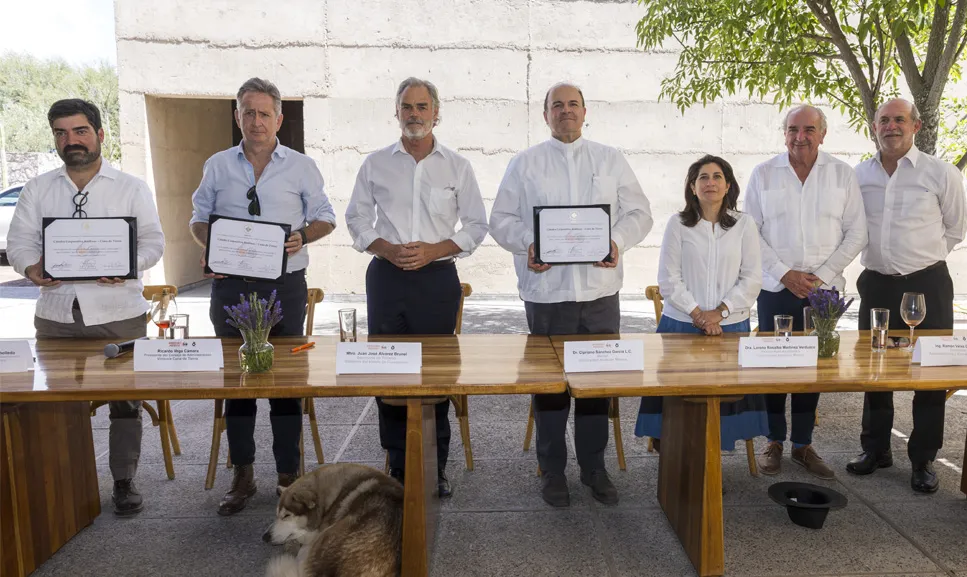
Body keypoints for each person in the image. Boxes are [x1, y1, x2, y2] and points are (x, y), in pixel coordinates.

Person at [490, 82, 653, 507]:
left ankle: (594, 469)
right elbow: (500, 219)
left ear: (586, 112)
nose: (565, 111)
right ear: (545, 115)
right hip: (546, 294)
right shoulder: (525, 164)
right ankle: (552, 470)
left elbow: (641, 213)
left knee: (597, 387)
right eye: (556, 105)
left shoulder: (610, 159)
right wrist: (529, 243)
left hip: (599, 294)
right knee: (550, 388)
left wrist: (616, 240)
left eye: (573, 104)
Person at [6, 98, 165, 516]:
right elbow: (20, 243)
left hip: (118, 313)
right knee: (54, 402)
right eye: (61, 133)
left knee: (125, 403)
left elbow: (153, 242)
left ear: (99, 134)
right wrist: (32, 266)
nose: (70, 140)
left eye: (79, 131)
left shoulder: (131, 188)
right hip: (57, 314)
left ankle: (124, 480)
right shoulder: (38, 189)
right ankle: (61, 485)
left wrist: (129, 265)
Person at [189, 77, 336, 515]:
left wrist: (302, 236)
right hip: (230, 286)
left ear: (279, 118)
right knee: (238, 383)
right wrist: (208, 247)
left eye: (264, 113)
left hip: (284, 286)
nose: (256, 121)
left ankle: (289, 475)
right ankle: (243, 474)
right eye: (248, 112)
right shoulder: (217, 165)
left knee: (285, 384)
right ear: (237, 116)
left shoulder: (302, 167)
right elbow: (198, 220)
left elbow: (326, 217)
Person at [345, 77, 488, 498]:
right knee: (387, 372)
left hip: (437, 279)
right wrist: (386, 249)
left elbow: (477, 226)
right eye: (407, 107)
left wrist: (434, 250)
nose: (414, 115)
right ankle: (396, 462)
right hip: (386, 277)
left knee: (436, 375)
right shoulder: (374, 164)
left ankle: (435, 464)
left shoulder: (457, 166)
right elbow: (355, 219)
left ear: (436, 112)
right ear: (396, 113)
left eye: (422, 107)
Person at [848, 98, 967, 493]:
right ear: (874, 127)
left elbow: (955, 228)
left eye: (899, 119)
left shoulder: (940, 172)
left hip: (928, 284)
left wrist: (920, 261)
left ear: (915, 126)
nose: (891, 126)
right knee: (875, 369)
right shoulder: (858, 175)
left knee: (929, 371)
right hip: (877, 284)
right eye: (884, 120)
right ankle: (876, 448)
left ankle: (923, 458)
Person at [743, 105, 867, 479]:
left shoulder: (842, 175)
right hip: (776, 287)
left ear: (823, 134)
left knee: (814, 368)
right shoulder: (763, 175)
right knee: (775, 367)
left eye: (809, 129)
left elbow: (856, 232)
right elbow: (752, 232)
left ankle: (803, 444)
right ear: (784, 134)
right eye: (793, 129)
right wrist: (785, 273)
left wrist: (821, 276)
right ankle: (774, 441)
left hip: (823, 294)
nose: (801, 136)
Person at [635, 155, 768, 455]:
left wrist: (719, 313)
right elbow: (668, 279)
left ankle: (709, 468)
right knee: (679, 402)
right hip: (681, 326)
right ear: (692, 188)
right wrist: (698, 314)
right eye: (703, 177)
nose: (710, 182)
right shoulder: (678, 224)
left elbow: (752, 278)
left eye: (717, 176)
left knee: (723, 402)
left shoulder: (745, 225)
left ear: (728, 185)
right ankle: (681, 461)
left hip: (730, 327)